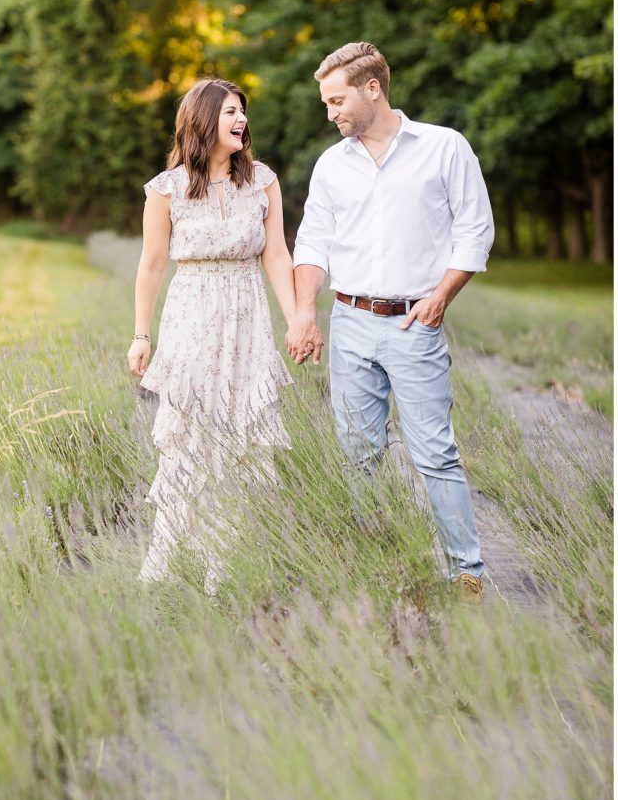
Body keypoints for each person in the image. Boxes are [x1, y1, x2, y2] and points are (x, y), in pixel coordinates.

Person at [286, 42, 495, 601]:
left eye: (337, 100)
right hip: (350, 321)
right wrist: (306, 310)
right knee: (359, 455)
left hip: (414, 325)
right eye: (326, 102)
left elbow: (475, 230)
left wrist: (440, 298)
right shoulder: (332, 164)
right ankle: (380, 565)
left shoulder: (444, 148)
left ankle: (466, 571)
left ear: (372, 88)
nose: (330, 113)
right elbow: (312, 241)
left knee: (434, 452)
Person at [128, 78, 297, 593]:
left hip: (247, 319)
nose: (241, 119)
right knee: (190, 437)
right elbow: (152, 265)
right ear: (203, 121)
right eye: (229, 112)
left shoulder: (263, 181)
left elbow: (275, 255)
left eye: (242, 111)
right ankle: (164, 561)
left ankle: (223, 567)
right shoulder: (167, 189)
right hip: (192, 318)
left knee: (241, 438)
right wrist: (141, 335)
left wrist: (296, 320)